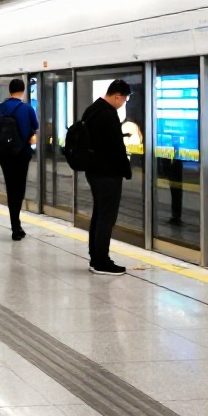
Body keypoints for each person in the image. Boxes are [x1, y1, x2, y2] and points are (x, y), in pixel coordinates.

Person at [81, 79, 132, 276]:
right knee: (106, 217)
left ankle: (95, 256)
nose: (123, 103)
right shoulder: (108, 115)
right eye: (124, 99)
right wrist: (126, 170)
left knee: (99, 214)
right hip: (107, 173)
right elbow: (115, 149)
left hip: (94, 171)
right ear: (117, 96)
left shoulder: (92, 109)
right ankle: (102, 261)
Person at [0, 79, 38, 241]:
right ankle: (16, 226)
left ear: (9, 91)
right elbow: (33, 134)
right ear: (23, 91)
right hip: (21, 154)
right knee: (19, 187)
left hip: (4, 155)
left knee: (11, 187)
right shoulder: (27, 109)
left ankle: (15, 224)